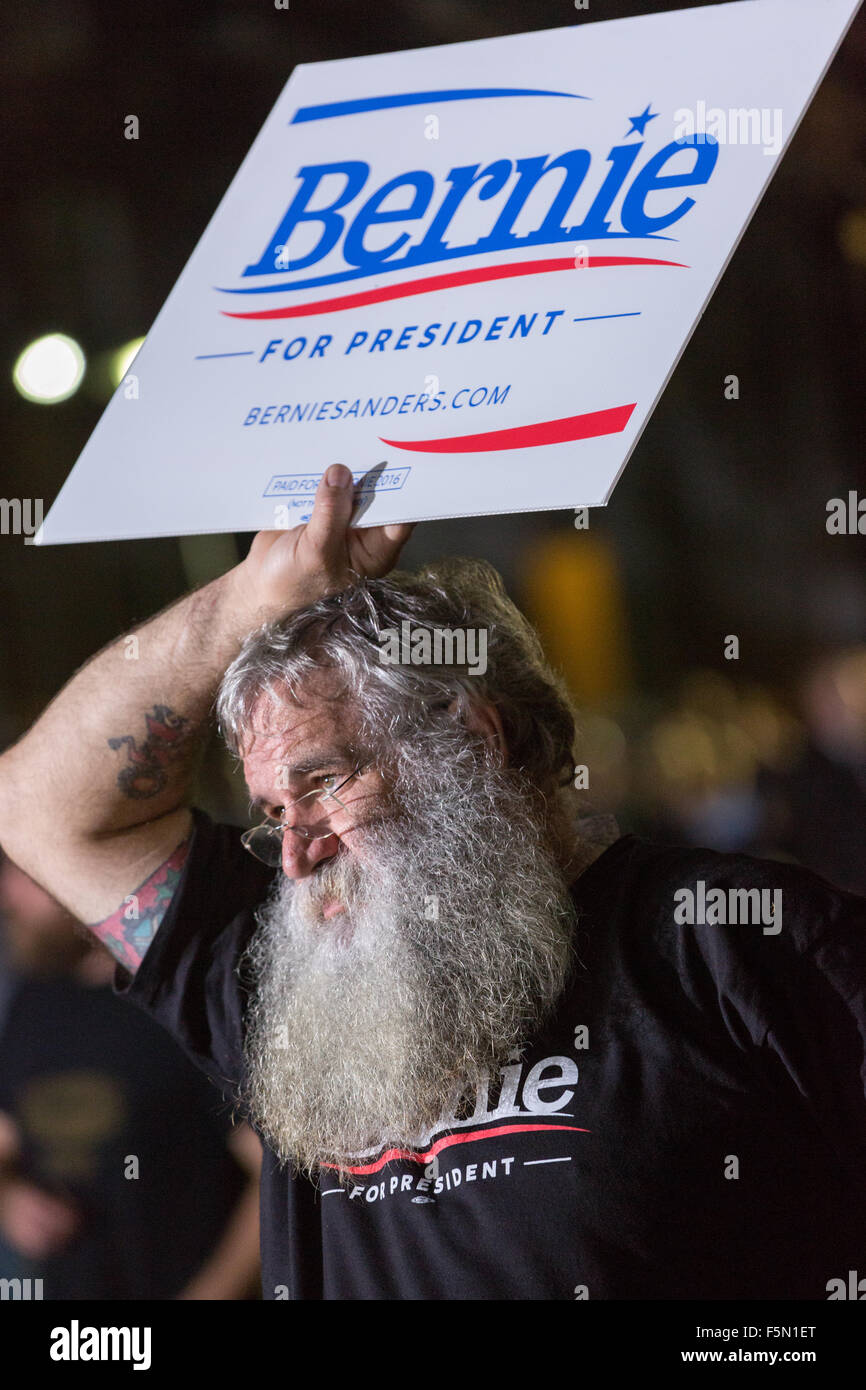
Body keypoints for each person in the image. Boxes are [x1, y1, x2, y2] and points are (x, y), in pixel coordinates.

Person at [0, 464, 863, 1300]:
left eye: (324, 783)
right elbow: (39, 808)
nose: (295, 852)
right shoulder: (279, 977)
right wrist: (248, 601)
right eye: (271, 809)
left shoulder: (732, 942)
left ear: (470, 742)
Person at [0, 857, 262, 1300]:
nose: (8, 897)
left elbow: (274, 1176)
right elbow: (5, 1144)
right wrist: (9, 1198)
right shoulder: (31, 1002)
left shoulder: (178, 1003)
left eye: (26, 875)